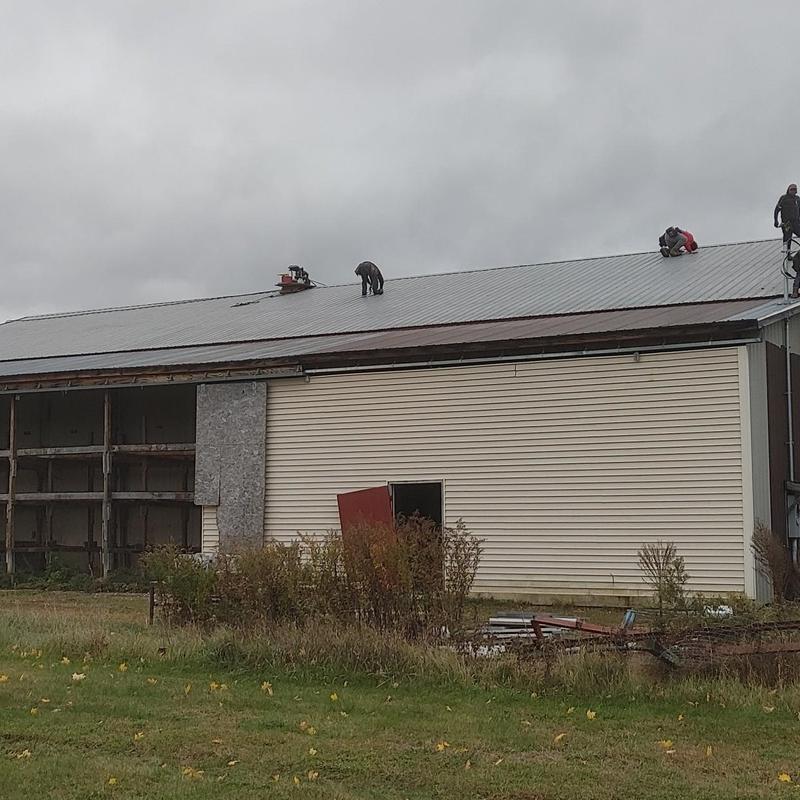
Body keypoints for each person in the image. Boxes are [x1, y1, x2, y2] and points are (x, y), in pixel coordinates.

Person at [774, 184, 800, 253]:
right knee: (788, 235)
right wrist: (776, 221)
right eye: (791, 189)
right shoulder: (784, 198)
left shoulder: (797, 199)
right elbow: (777, 209)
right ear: (788, 190)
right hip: (786, 222)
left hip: (796, 222)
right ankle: (787, 251)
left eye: (794, 189)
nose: (793, 191)